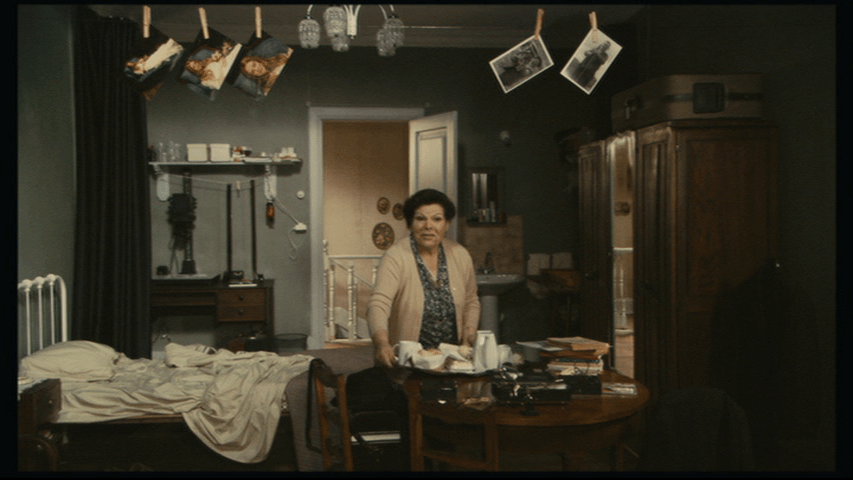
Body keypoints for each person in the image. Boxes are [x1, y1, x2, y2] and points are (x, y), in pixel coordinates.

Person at [368, 188, 481, 368]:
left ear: (447, 224)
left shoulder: (460, 255)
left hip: (452, 362)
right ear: (410, 223)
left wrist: (468, 336)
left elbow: (471, 302)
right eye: (420, 218)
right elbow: (379, 303)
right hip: (408, 363)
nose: (428, 226)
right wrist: (381, 343)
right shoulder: (395, 256)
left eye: (437, 219)